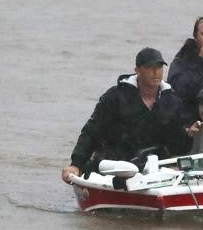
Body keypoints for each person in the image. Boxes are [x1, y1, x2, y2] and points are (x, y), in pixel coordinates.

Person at [61, 47, 192, 182]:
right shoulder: (115, 97)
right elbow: (92, 130)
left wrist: (189, 134)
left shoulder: (172, 101)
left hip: (155, 168)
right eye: (150, 67)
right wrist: (76, 164)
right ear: (137, 70)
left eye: (159, 67)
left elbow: (178, 145)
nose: (156, 72)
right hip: (115, 165)